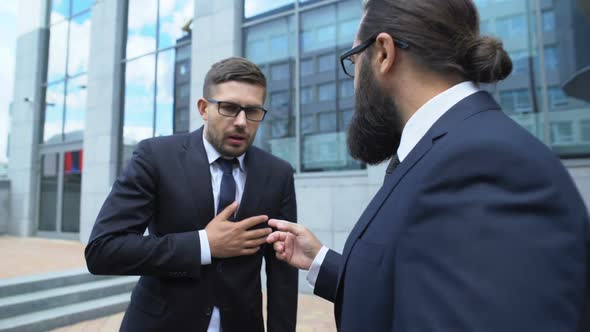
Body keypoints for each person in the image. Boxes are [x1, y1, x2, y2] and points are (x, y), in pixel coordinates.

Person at [267, 0, 590, 331]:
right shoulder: (448, 150)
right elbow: (414, 290)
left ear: (383, 53)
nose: (353, 83)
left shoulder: (485, 164)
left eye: (354, 60)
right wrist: (320, 260)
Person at [85, 57, 298, 332]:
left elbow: (283, 272)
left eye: (253, 111)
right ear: (203, 108)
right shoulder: (155, 156)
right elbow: (104, 250)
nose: (242, 122)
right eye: (230, 108)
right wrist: (204, 245)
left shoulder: (278, 173)